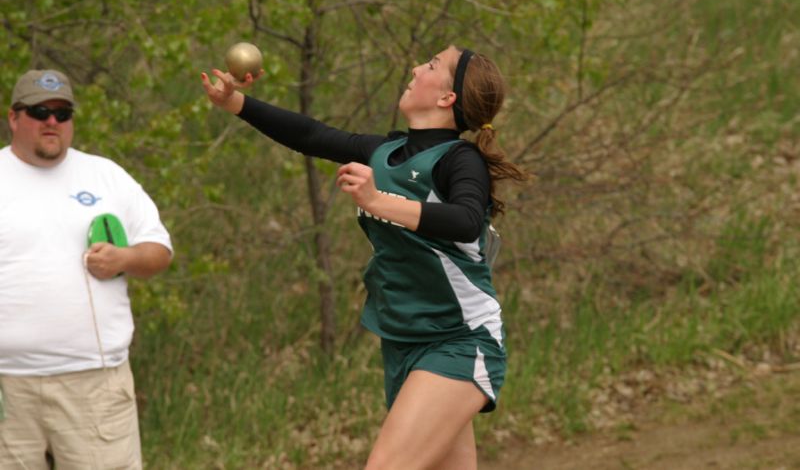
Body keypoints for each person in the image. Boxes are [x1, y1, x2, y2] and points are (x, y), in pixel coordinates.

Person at [201, 45, 525, 469]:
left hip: (459, 340)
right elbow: (312, 135)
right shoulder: (387, 153)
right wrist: (235, 102)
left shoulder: (460, 160)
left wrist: (377, 200)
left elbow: (465, 219)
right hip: (405, 340)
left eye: (430, 65)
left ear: (447, 99)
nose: (415, 67)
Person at [0, 69, 173, 469]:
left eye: (62, 114)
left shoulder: (106, 176)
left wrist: (124, 258)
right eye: (40, 111)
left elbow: (160, 251)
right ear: (14, 117)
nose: (51, 122)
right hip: (8, 387)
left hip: (94, 383)